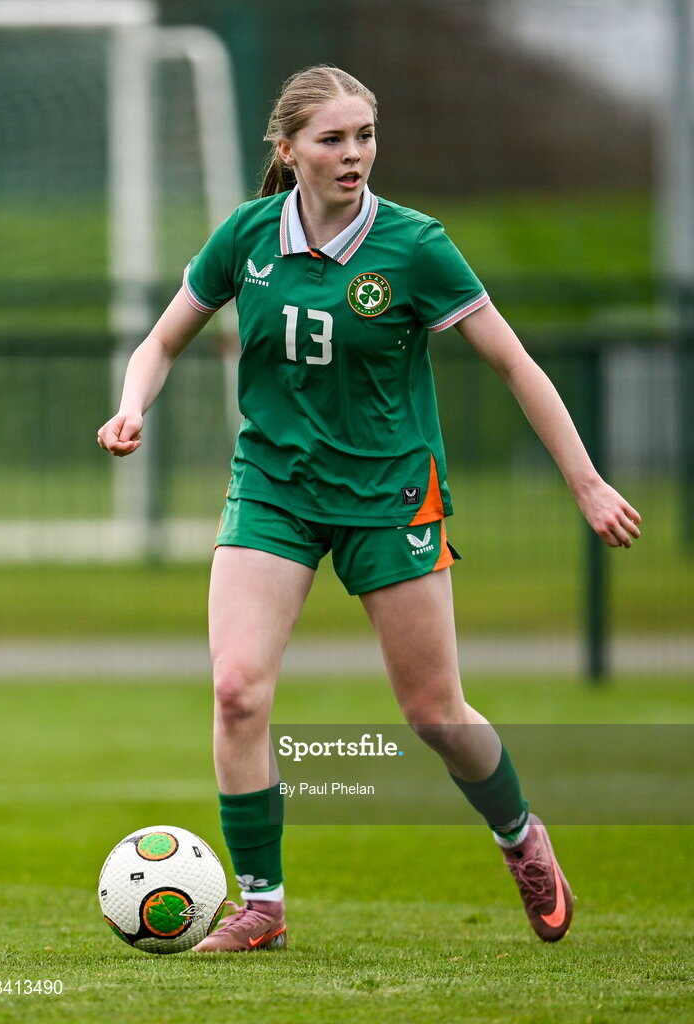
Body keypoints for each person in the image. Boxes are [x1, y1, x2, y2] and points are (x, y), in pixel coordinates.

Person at [97, 65, 641, 952]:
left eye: (364, 137)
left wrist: (585, 481)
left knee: (433, 714)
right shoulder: (246, 237)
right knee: (236, 693)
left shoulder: (414, 246)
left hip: (390, 496)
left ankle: (519, 836)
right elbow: (160, 341)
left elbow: (514, 364)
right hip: (273, 487)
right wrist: (132, 405)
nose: (353, 155)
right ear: (288, 151)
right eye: (332, 140)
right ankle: (262, 907)